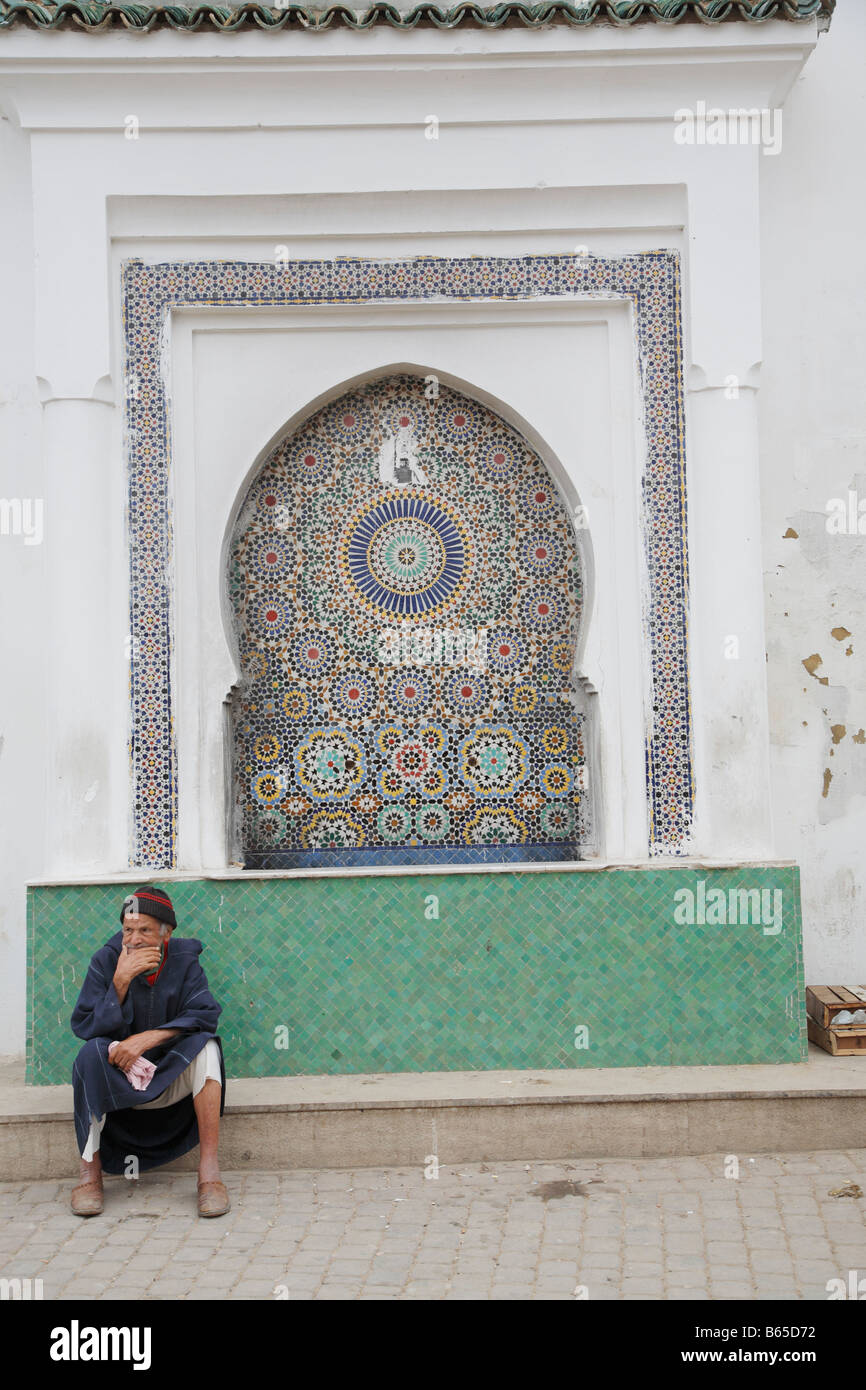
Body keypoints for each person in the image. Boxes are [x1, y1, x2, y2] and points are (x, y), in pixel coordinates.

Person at [69, 886, 229, 1218]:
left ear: (166, 933)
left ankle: (210, 1176)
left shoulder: (184, 961)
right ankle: (89, 1174)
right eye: (128, 929)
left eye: (145, 930)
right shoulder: (106, 960)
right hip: (120, 1079)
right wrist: (120, 982)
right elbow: (84, 1025)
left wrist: (146, 1039)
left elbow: (206, 1014)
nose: (135, 939)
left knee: (208, 1048)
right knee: (89, 1055)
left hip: (169, 1072)